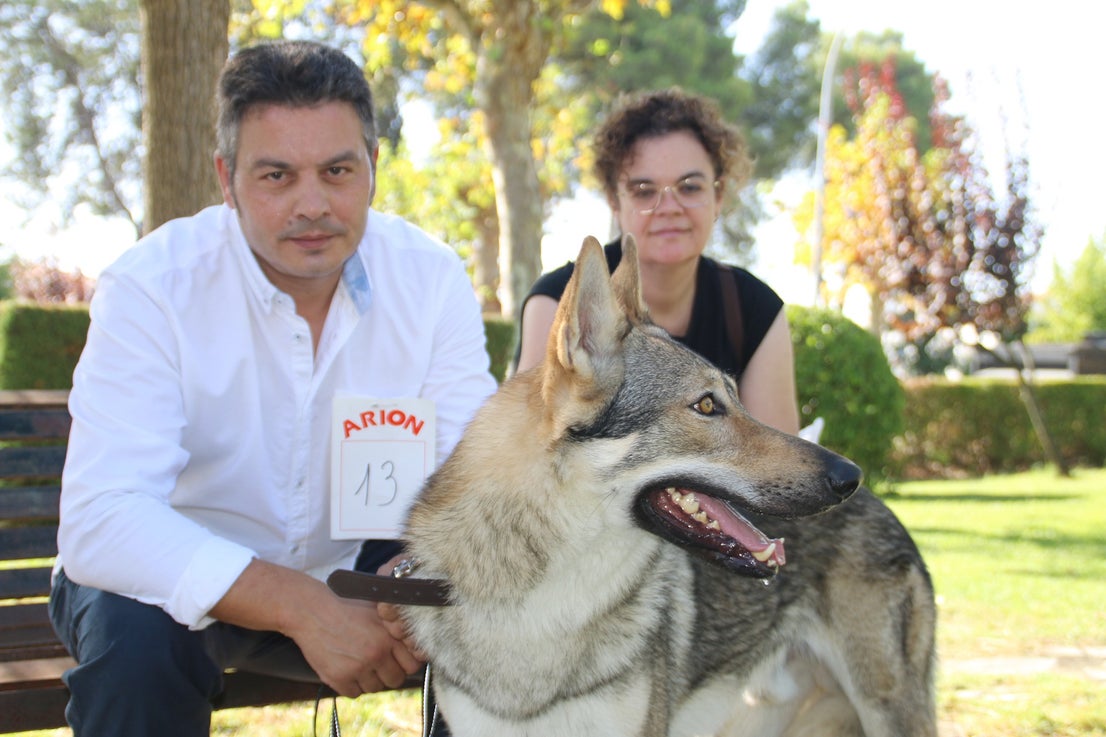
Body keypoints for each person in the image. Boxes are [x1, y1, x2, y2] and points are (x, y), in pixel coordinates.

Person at [49, 40, 497, 736]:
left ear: (373, 167)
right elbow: (102, 516)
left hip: (360, 577)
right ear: (227, 179)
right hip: (178, 585)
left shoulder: (431, 281)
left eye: (338, 170)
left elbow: (471, 480)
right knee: (131, 636)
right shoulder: (152, 288)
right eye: (277, 175)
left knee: (505, 613)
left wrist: (413, 583)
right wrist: (299, 604)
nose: (312, 204)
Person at [516, 88, 800, 434]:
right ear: (615, 203)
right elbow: (536, 446)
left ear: (719, 195)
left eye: (690, 187)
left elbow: (775, 468)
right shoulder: (557, 299)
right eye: (644, 191)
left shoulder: (754, 308)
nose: (668, 207)